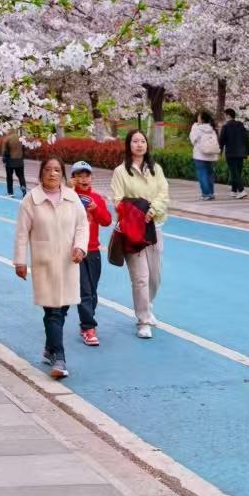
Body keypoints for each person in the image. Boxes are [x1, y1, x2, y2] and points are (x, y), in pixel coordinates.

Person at [12, 155, 89, 380]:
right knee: (52, 311)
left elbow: (82, 225)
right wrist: (20, 261)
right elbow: (21, 234)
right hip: (44, 263)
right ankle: (59, 357)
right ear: (41, 173)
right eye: (48, 169)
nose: (53, 173)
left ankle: (49, 347)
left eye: (57, 170)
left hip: (68, 263)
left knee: (62, 309)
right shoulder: (30, 201)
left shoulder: (72, 198)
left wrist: (80, 247)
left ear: (63, 175)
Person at [110, 128, 170, 339]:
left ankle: (148, 304)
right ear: (128, 145)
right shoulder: (120, 172)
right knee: (141, 278)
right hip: (132, 231)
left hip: (155, 228)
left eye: (142, 141)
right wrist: (138, 213)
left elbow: (164, 194)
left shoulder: (156, 169)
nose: (139, 144)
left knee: (155, 277)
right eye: (135, 141)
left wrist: (153, 210)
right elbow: (117, 201)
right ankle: (143, 320)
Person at [68, 162, 112, 346]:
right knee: (84, 291)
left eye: (87, 175)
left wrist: (96, 208)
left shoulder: (97, 198)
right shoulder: (68, 198)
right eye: (79, 175)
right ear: (73, 179)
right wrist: (69, 193)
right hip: (77, 252)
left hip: (94, 251)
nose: (84, 179)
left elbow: (107, 221)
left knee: (92, 292)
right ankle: (88, 327)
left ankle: (86, 323)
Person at [189, 110, 221, 201]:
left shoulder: (197, 128)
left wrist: (194, 127)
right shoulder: (212, 128)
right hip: (212, 155)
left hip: (200, 155)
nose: (197, 118)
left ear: (202, 119)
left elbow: (192, 140)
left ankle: (206, 194)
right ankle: (211, 193)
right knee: (210, 174)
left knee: (202, 174)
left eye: (198, 117)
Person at [220, 108, 249, 198]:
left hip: (231, 153)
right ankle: (234, 190)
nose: (224, 117)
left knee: (234, 173)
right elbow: (246, 139)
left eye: (225, 115)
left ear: (228, 115)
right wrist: (248, 153)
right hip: (241, 153)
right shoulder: (241, 125)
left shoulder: (225, 126)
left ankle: (241, 190)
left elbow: (221, 141)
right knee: (237, 172)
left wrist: (220, 152)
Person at [2, 129, 27, 197]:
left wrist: (4, 160)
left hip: (10, 160)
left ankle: (10, 192)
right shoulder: (20, 138)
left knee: (9, 177)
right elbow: (24, 149)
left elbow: (4, 151)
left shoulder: (7, 139)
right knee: (21, 176)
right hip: (19, 160)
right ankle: (23, 190)